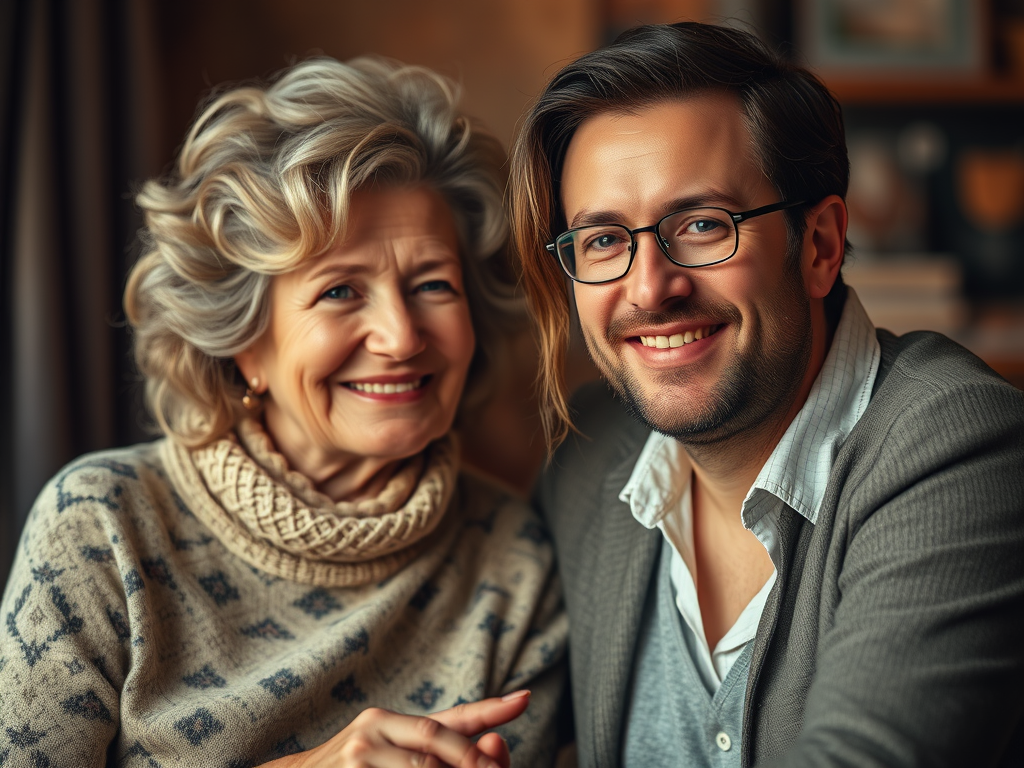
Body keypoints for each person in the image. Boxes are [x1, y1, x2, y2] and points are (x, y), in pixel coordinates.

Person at [0, 56, 566, 768]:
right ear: (243, 344)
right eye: (339, 292)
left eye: (432, 284)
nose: (401, 336)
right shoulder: (100, 527)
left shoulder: (514, 561)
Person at [508, 21, 1024, 768]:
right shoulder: (584, 462)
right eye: (604, 241)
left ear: (818, 245)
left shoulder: (966, 450)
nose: (650, 288)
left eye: (703, 225)